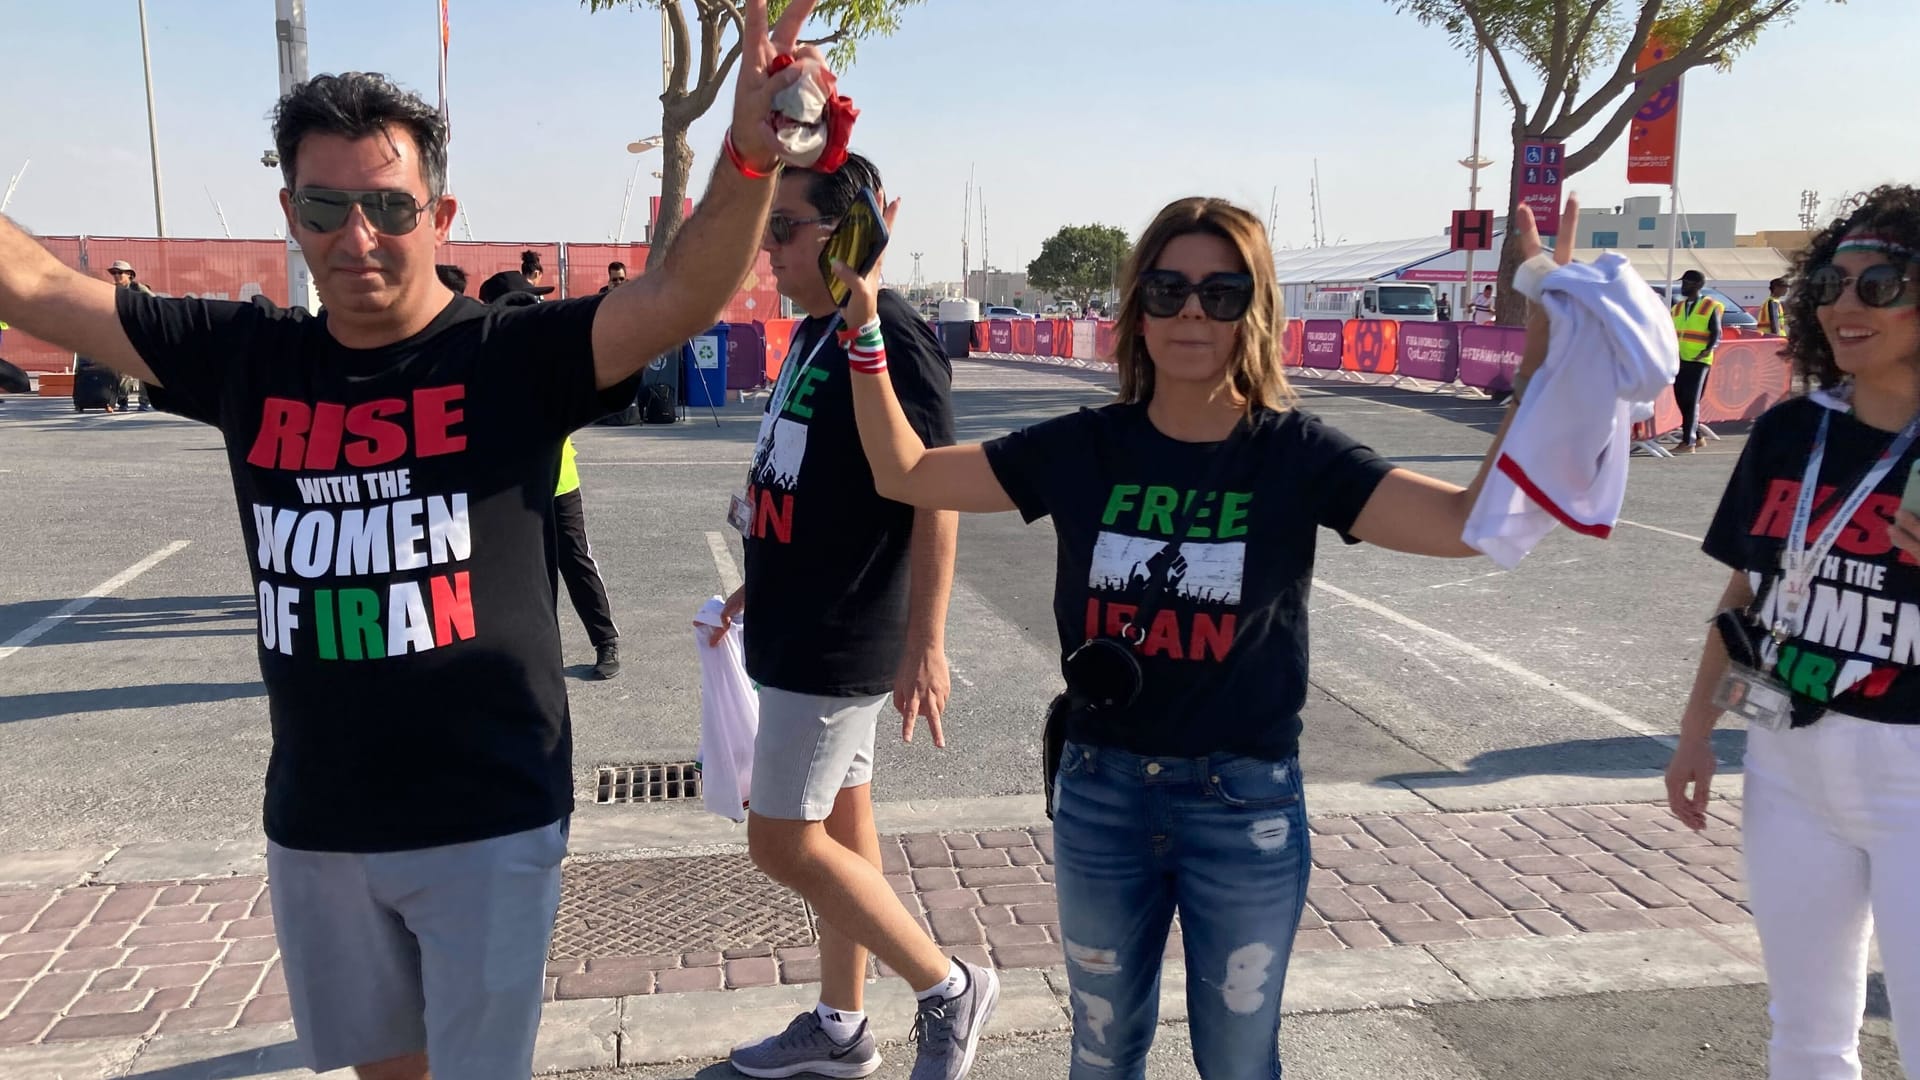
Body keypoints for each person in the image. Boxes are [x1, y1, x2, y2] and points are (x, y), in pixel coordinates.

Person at [0, 4, 818, 1073]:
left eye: (389, 204)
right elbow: (36, 286)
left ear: (441, 212)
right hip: (318, 817)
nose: (358, 236)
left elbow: (674, 298)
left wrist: (750, 155)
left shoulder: (508, 356)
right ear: (289, 210)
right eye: (327, 205)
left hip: (489, 814)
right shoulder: (249, 359)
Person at [835, 193, 1582, 1078]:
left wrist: (1544, 355)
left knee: (1236, 1057)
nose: (1192, 310)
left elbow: (1468, 523)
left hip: (1246, 805)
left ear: (1253, 314)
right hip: (1103, 794)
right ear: (1137, 310)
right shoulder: (1084, 448)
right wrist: (864, 326)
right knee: (1103, 1048)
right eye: (1168, 289)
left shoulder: (1295, 456)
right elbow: (907, 471)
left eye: (1221, 294)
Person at [711, 152, 989, 1080]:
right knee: (839, 830)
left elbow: (934, 495)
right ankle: (840, 1026)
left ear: (849, 233)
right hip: (795, 616)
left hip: (840, 635)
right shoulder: (810, 336)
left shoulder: (893, 337)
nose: (768, 252)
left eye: (782, 229)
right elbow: (807, 477)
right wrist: (759, 575)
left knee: (781, 837)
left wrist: (928, 642)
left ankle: (947, 986)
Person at [1665, 184, 1920, 1080]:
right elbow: (1746, 591)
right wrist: (1696, 733)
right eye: (1831, 283)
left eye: (1880, 284)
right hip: (1787, 762)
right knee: (1806, 1036)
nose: (1846, 306)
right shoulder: (1789, 431)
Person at [478, 269, 623, 681]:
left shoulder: (545, 351)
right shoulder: (484, 356)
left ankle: (605, 639)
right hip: (508, 488)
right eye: (522, 303)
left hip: (559, 480)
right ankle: (538, 652)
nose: (533, 309)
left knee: (574, 559)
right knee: (525, 570)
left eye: (534, 301)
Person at [1671, 269, 1724, 453]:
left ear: (1698, 285)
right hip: (1680, 359)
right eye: (1683, 282)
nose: (1683, 286)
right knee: (1681, 398)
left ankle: (1689, 442)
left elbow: (1716, 332)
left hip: (1699, 360)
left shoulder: (1710, 306)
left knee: (1692, 399)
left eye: (1687, 283)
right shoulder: (1677, 308)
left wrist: (1708, 349)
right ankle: (1698, 437)